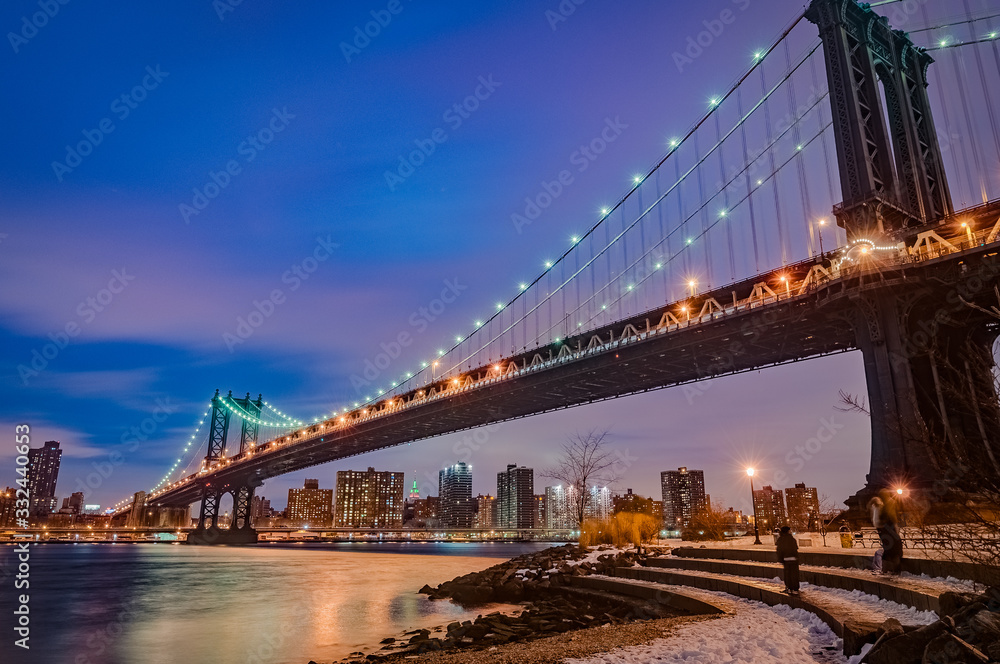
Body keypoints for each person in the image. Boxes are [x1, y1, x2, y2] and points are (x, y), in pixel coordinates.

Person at [869, 491, 903, 575]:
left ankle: (888, 568)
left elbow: (877, 520)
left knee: (889, 548)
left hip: (885, 528)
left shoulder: (879, 505)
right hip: (888, 528)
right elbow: (892, 516)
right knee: (893, 548)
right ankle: (893, 568)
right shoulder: (884, 504)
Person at [776, 525, 800, 595]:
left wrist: (780, 559)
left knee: (787, 575)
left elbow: (779, 550)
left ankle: (789, 587)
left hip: (786, 559)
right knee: (794, 574)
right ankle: (795, 588)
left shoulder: (780, 539)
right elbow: (795, 549)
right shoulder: (792, 539)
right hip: (793, 559)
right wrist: (797, 558)